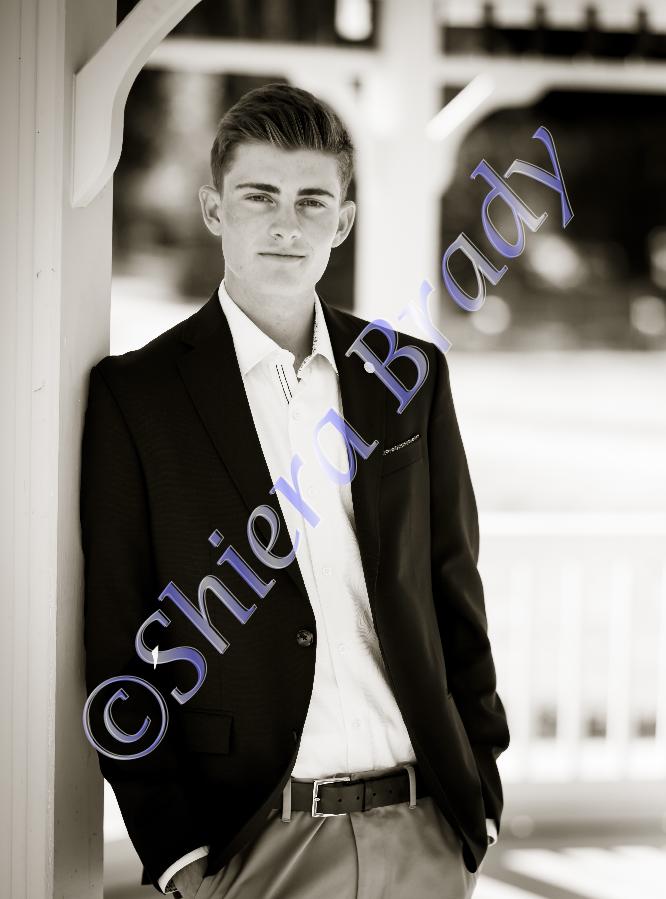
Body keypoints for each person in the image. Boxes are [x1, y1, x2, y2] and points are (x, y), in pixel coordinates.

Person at [80, 82, 510, 899]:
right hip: (251, 842)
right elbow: (116, 639)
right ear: (214, 210)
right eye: (259, 195)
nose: (287, 222)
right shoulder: (138, 399)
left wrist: (479, 796)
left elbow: (454, 590)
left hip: (425, 830)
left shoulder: (407, 376)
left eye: (313, 200)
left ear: (342, 222)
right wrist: (176, 854)